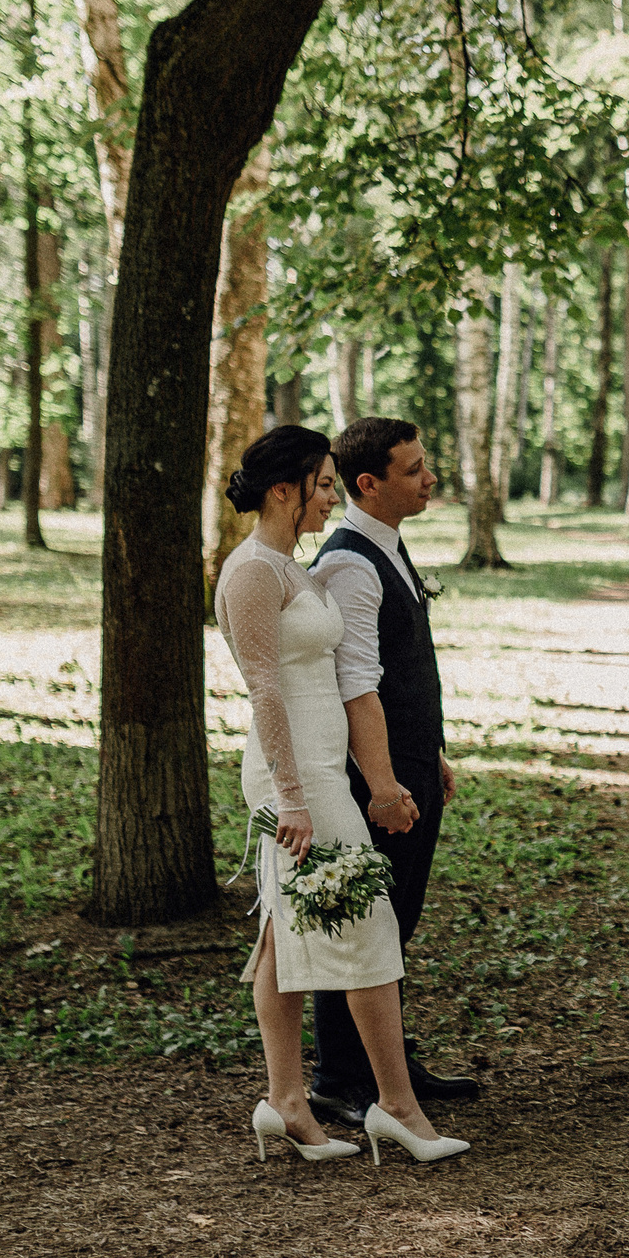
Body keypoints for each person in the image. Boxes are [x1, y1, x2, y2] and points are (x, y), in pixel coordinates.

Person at [215, 427, 469, 1167]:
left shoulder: (291, 568)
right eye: (323, 484)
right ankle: (394, 1107)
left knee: (281, 937)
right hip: (296, 779)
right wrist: (293, 797)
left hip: (322, 768)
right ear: (282, 490)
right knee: (367, 924)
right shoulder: (251, 573)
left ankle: (287, 1103)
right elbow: (264, 688)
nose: (332, 495)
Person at [304, 416, 482, 1129]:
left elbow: (401, 673)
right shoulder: (348, 564)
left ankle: (387, 1064)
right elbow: (355, 684)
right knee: (360, 920)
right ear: (368, 484)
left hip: (408, 762)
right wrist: (381, 783)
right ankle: (338, 1077)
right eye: (413, 469)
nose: (429, 477)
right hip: (371, 776)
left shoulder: (387, 547)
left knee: (394, 920)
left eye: (425, 463)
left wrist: (428, 753)